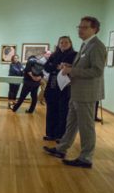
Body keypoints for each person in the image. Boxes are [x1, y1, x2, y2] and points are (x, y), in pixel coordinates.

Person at [43, 16, 107, 168]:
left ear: (94, 29)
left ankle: (86, 158)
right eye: (79, 26)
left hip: (86, 94)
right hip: (76, 92)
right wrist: (69, 66)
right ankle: (61, 148)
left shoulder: (97, 46)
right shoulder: (86, 45)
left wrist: (72, 70)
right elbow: (83, 67)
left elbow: (97, 71)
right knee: (71, 123)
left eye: (84, 27)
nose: (80, 29)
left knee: (86, 127)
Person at [43, 36, 77, 141]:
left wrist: (63, 66)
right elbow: (46, 67)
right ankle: (50, 134)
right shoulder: (54, 54)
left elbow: (74, 68)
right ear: (58, 44)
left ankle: (60, 135)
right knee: (51, 110)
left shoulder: (74, 55)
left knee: (63, 112)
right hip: (52, 85)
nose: (63, 44)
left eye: (66, 42)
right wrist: (56, 66)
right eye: (61, 42)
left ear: (70, 43)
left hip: (65, 87)